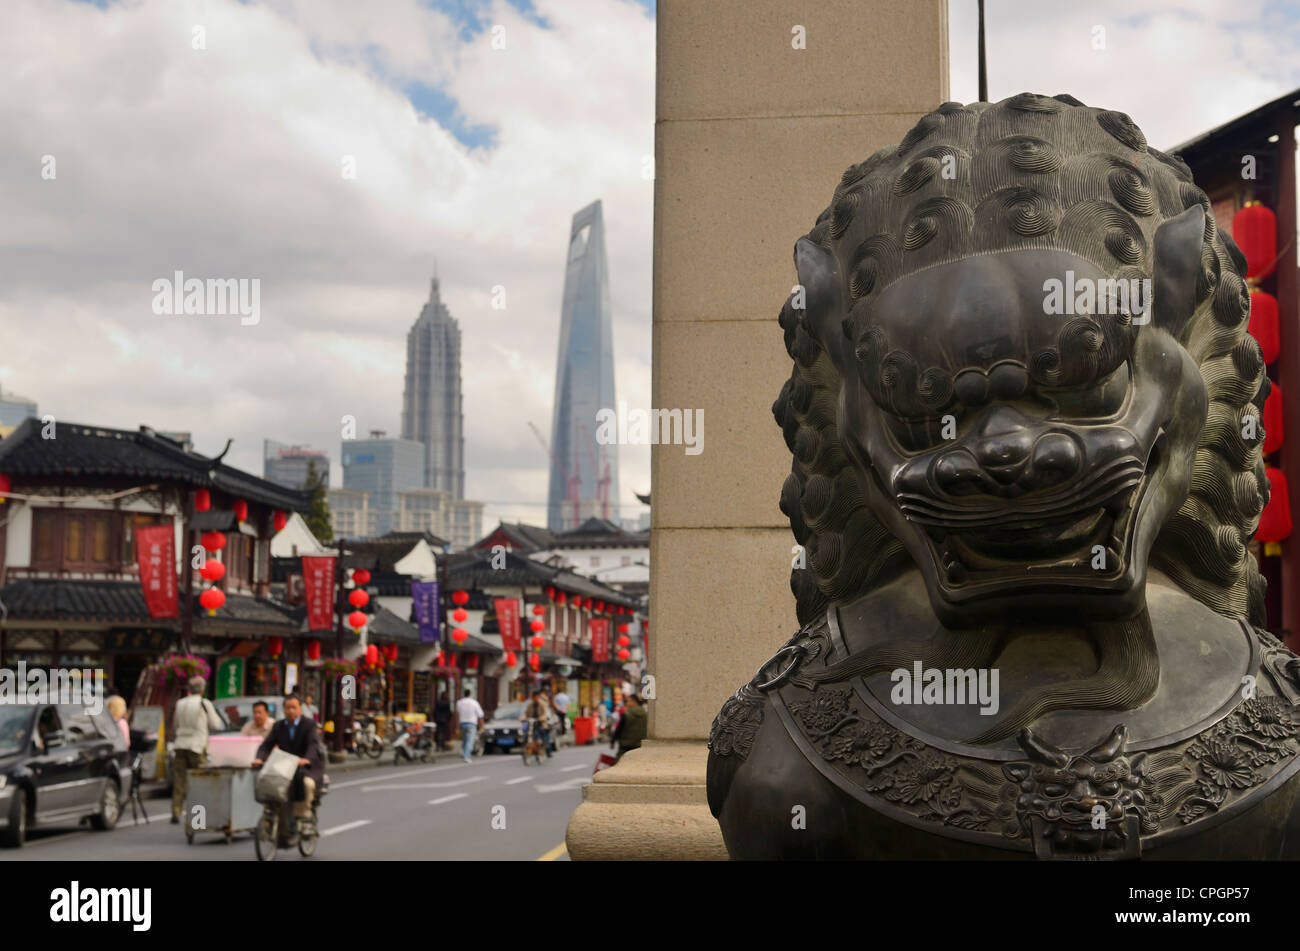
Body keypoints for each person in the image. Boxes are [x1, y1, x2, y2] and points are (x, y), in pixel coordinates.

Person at [251, 695, 325, 842]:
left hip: (306, 768)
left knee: (306, 784)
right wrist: (260, 758)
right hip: (284, 767)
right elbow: (266, 745)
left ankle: (304, 818)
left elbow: (313, 745)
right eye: (287, 708)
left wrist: (306, 759)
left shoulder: (309, 724)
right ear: (283, 709)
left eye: (294, 707)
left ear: (300, 709)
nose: (290, 711)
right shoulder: (279, 726)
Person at [171, 676, 223, 824]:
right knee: (200, 781)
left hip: (180, 744)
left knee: (179, 780)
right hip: (197, 746)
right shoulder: (204, 703)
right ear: (202, 689)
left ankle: (176, 811)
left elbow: (175, 724)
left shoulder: (180, 703)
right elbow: (216, 724)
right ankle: (198, 816)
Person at [610, 693, 647, 762]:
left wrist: (613, 741)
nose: (626, 703)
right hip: (640, 745)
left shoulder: (627, 713)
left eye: (628, 701)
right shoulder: (645, 714)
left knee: (619, 764)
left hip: (626, 746)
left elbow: (619, 729)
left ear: (634, 701)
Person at [520, 690, 553, 758]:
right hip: (531, 723)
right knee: (526, 733)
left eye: (536, 697)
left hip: (540, 722)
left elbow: (545, 713)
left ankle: (547, 749)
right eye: (533, 697)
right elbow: (525, 713)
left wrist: (542, 718)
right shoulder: (530, 705)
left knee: (543, 733)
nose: (535, 698)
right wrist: (522, 718)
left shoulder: (543, 704)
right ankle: (525, 748)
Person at [455, 688, 484, 764]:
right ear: (470, 694)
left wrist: (457, 727)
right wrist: (482, 726)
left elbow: (457, 715)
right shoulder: (474, 703)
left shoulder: (459, 702)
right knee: (469, 741)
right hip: (471, 724)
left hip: (462, 723)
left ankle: (465, 753)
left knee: (465, 741)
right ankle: (467, 756)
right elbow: (480, 715)